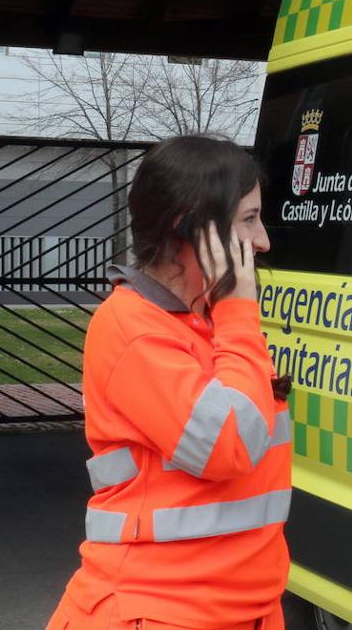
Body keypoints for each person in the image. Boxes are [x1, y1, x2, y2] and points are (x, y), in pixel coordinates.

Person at [47, 136, 292, 630]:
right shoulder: (133, 328)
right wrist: (238, 313)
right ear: (191, 226)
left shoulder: (207, 324)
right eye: (248, 220)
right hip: (160, 609)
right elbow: (229, 445)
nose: (263, 241)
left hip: (244, 608)